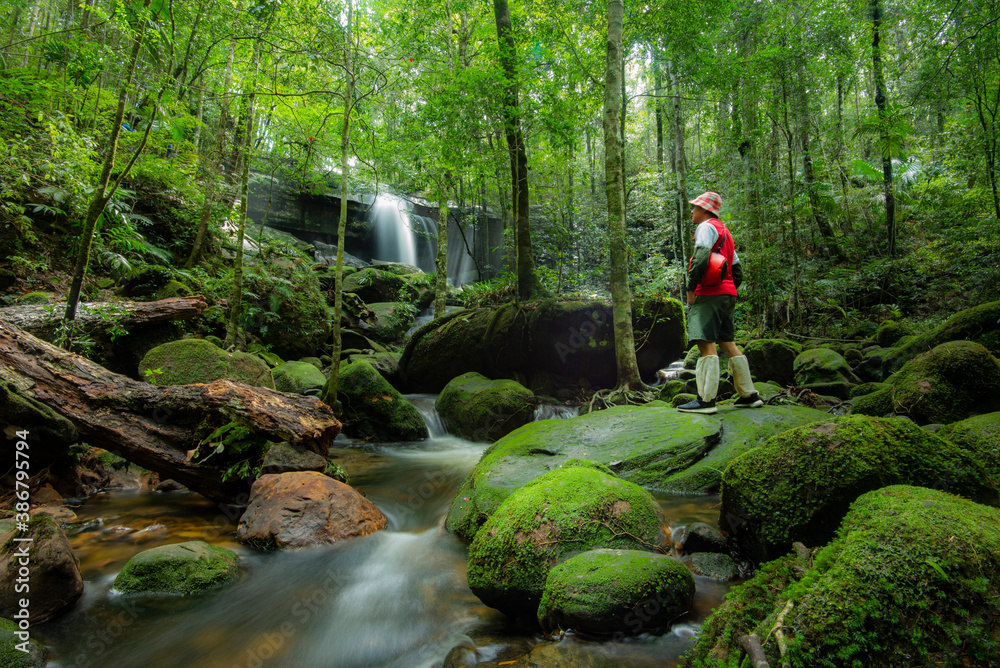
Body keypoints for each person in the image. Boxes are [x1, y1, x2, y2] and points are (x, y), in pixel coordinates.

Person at [677, 191, 763, 414]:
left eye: (695, 208)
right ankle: (749, 395)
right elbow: (737, 270)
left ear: (706, 210)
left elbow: (701, 257)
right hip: (727, 293)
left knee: (704, 342)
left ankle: (706, 400)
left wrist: (691, 288)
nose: (692, 212)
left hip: (709, 293)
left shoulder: (706, 227)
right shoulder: (726, 232)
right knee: (727, 342)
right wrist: (729, 289)